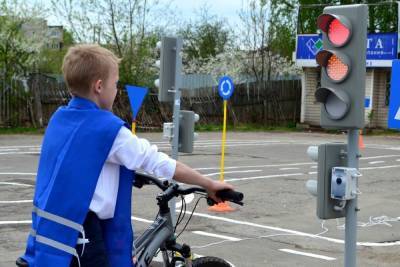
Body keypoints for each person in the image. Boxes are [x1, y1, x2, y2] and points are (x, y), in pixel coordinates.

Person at [18, 44, 233, 267]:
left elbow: (79, 165)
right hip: (85, 239)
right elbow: (158, 161)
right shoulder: (108, 130)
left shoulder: (61, 119)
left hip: (52, 236)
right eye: (115, 84)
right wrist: (209, 184)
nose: (116, 90)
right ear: (99, 86)